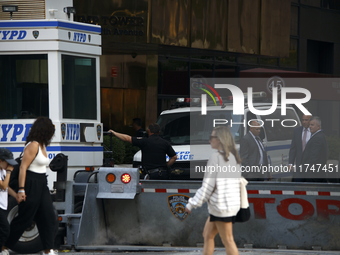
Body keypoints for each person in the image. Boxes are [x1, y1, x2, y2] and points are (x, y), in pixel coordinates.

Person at [185, 126, 241, 255]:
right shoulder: (232, 157)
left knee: (228, 240)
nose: (209, 140)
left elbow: (207, 187)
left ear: (220, 140)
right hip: (227, 204)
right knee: (208, 235)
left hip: (221, 206)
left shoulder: (216, 158)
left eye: (212, 137)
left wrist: (191, 204)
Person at [5, 117, 57, 255]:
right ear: (44, 130)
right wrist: (21, 189)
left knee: (48, 216)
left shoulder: (42, 145)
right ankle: (4, 246)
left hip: (42, 183)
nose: (52, 133)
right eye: (50, 130)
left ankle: (48, 249)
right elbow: (23, 168)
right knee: (25, 218)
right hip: (30, 182)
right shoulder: (33, 145)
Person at [109, 123, 177, 179]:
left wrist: (114, 133)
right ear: (159, 132)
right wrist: (166, 165)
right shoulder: (165, 143)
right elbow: (174, 157)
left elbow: (127, 138)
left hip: (150, 174)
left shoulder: (144, 141)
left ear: (148, 131)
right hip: (163, 174)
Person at [0, 148, 18, 255]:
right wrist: (9, 172)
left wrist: (16, 195)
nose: (9, 166)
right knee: (5, 229)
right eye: (7, 163)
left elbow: (7, 188)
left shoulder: (2, 171)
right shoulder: (5, 171)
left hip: (2, 204)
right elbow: (3, 186)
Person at [299, 116, 328, 182]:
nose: (310, 126)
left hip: (313, 174)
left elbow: (314, 157)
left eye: (312, 125)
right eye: (309, 125)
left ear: (318, 126)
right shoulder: (319, 136)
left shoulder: (317, 138)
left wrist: (307, 170)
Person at [288, 115, 312, 182]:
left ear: (310, 121)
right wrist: (290, 163)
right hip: (299, 164)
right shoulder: (297, 131)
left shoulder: (313, 132)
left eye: (306, 120)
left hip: (309, 165)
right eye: (303, 120)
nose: (304, 122)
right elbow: (293, 148)